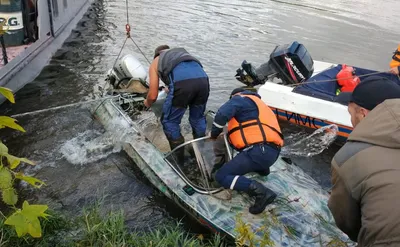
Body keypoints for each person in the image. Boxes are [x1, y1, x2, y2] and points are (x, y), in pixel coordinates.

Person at [330, 76, 400, 246]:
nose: (351, 120)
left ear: (363, 113)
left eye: (351, 113)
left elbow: (347, 222)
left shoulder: (350, 157)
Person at [209, 88, 284, 215]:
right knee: (251, 158)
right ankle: (262, 169)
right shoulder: (260, 106)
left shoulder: (240, 99)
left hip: (258, 152)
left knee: (222, 176)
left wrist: (214, 133)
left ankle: (263, 193)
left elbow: (222, 114)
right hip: (272, 153)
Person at [144, 45, 210, 155]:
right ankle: (199, 152)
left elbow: (152, 96)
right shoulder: (182, 54)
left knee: (169, 122)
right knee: (197, 119)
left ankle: (179, 158)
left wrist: (147, 103)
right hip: (203, 82)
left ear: (156, 55)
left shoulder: (156, 61)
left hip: (182, 85)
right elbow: (187, 75)